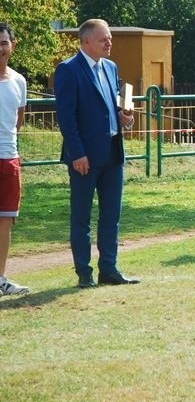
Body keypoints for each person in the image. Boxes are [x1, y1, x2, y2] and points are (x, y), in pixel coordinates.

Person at [54, 18, 138, 288]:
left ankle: (109, 269)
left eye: (110, 38)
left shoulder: (111, 67)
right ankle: (84, 272)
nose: (109, 43)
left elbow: (109, 106)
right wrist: (77, 153)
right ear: (86, 41)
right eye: (104, 39)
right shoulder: (68, 69)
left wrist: (124, 118)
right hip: (84, 158)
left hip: (113, 154)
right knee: (82, 216)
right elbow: (67, 117)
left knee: (111, 215)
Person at [0, 22, 28, 296]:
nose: (0, 48)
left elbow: (17, 122)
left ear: (12, 45)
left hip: (9, 159)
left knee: (5, 221)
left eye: (3, 43)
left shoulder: (19, 81)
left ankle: (0, 278)